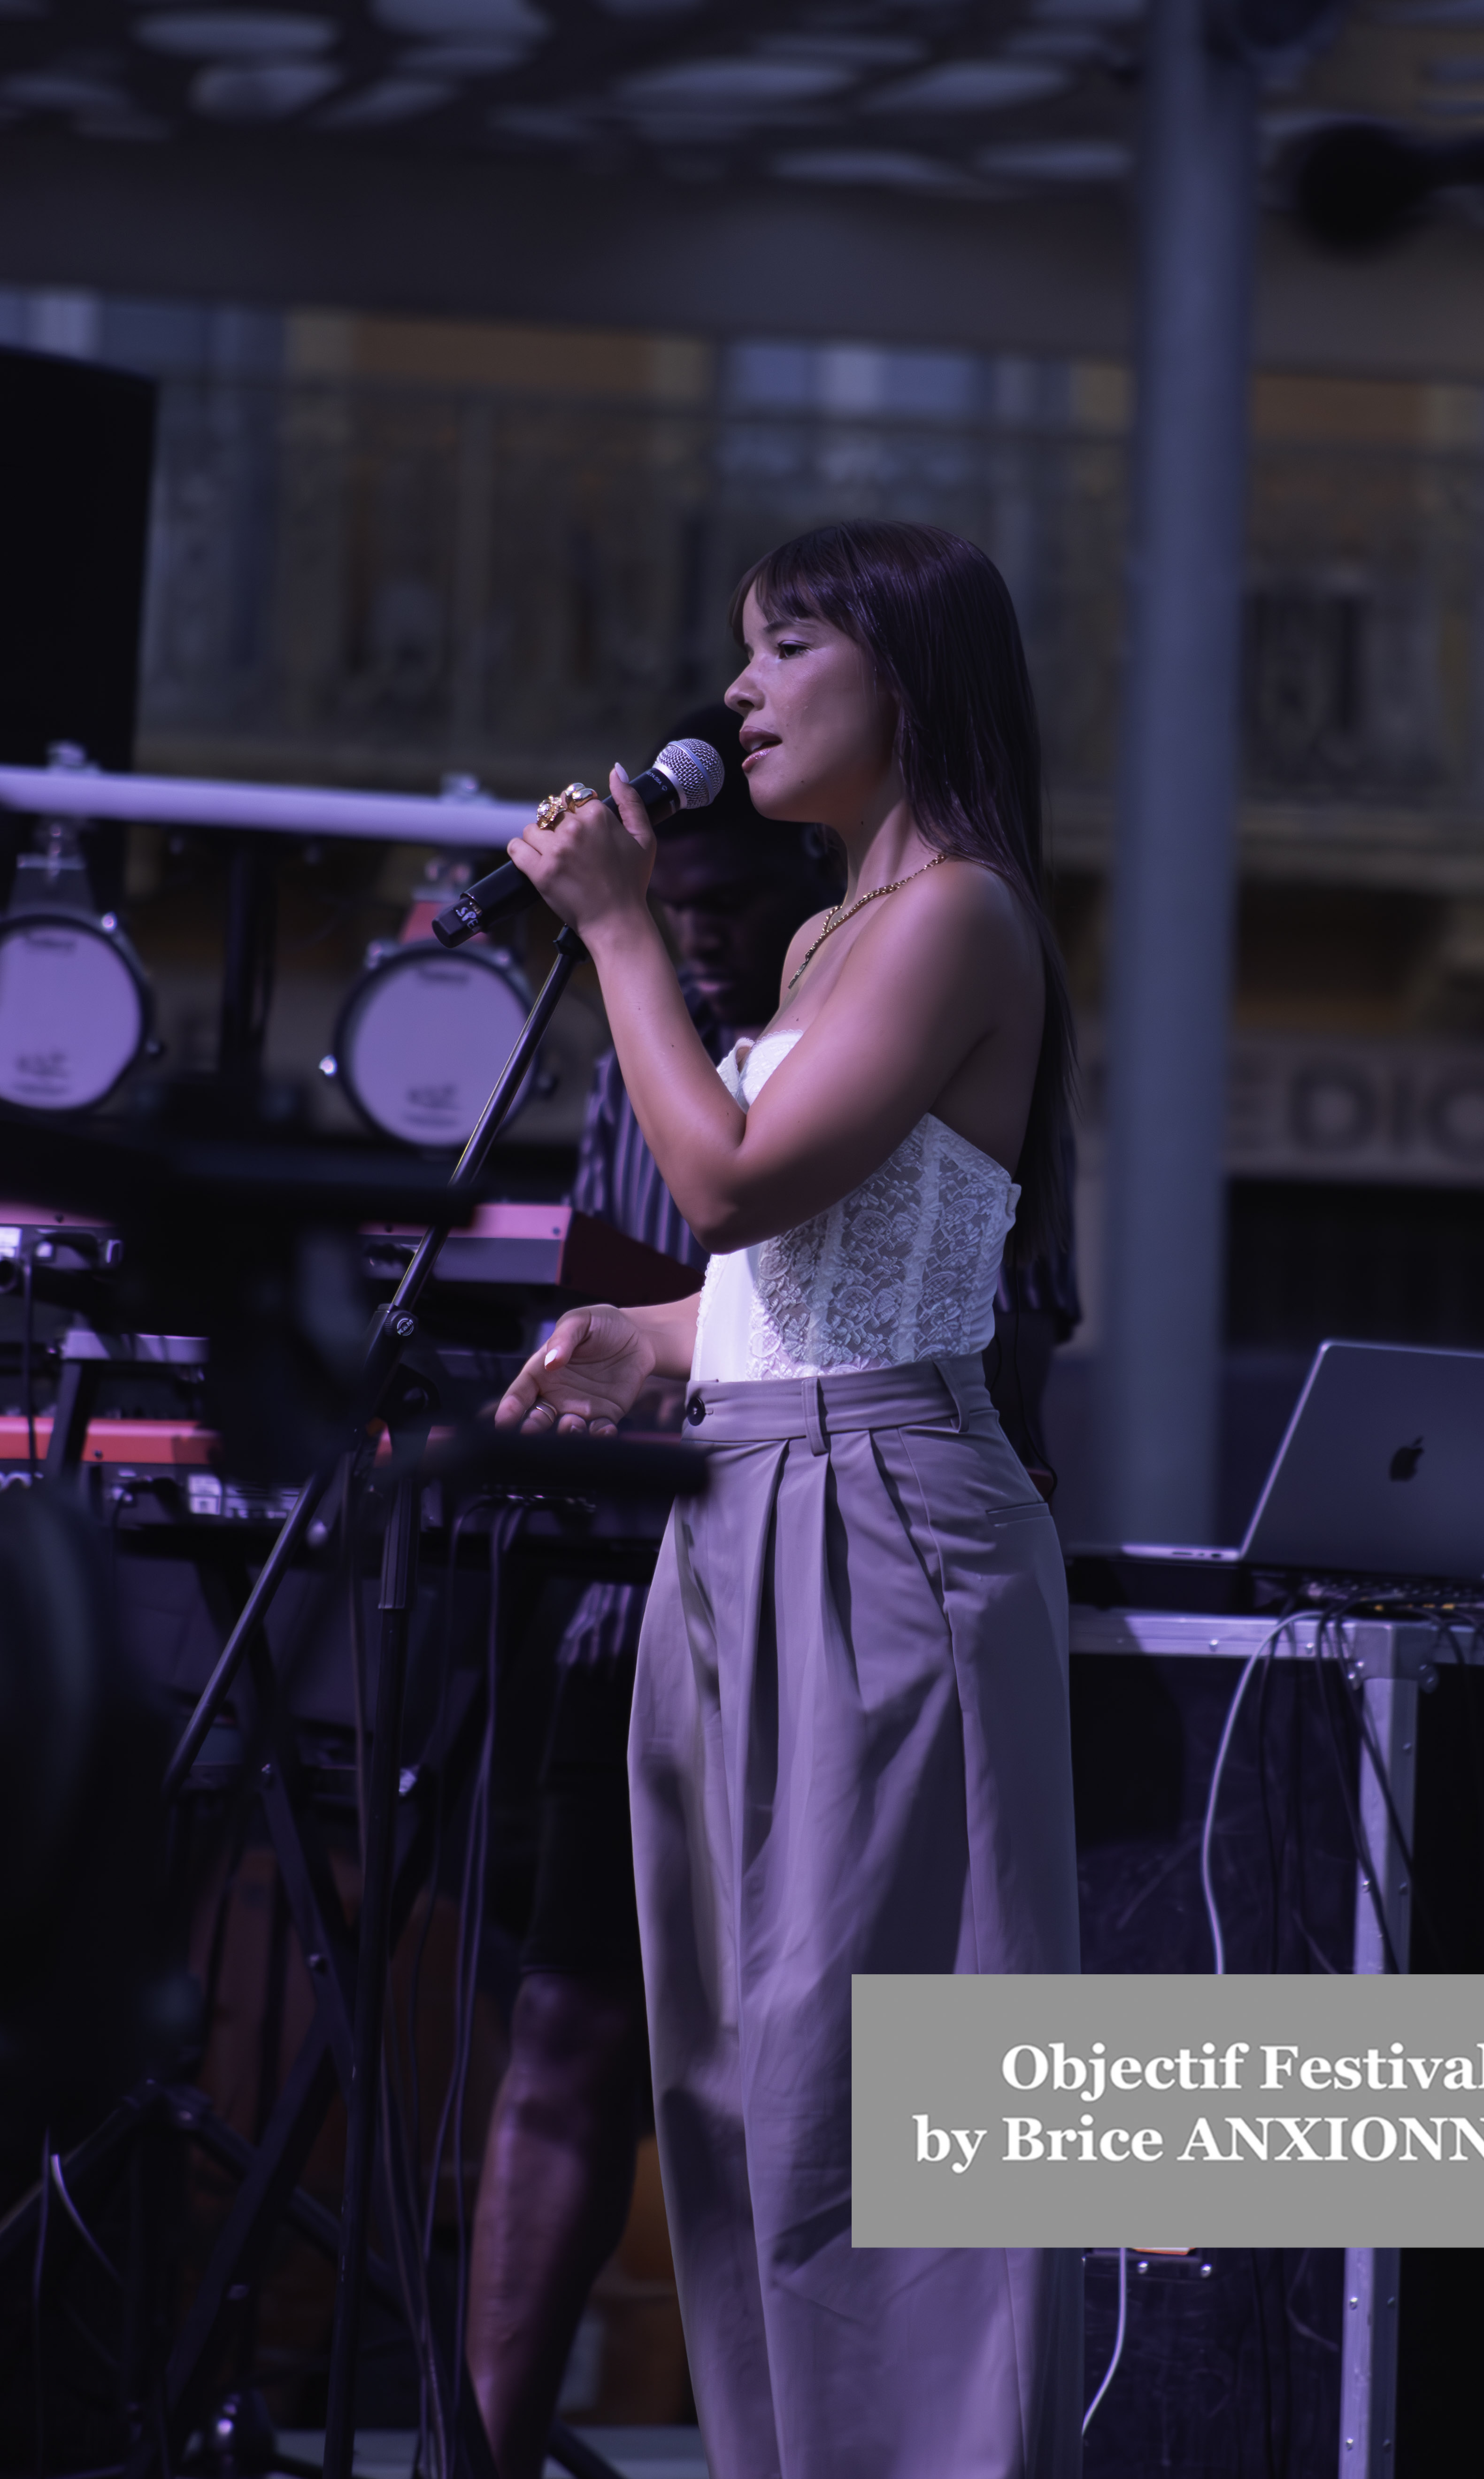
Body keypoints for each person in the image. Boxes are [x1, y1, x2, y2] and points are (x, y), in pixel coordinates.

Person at [494, 523, 1084, 2478]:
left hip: (883, 1519)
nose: (735, 693)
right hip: (741, 1505)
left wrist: (611, 929)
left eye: (784, 648)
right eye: (741, 652)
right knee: (737, 2090)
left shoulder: (958, 916)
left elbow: (737, 1175)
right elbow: (809, 1262)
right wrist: (654, 1339)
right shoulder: (838, 926)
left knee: (872, 2093)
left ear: (902, 676)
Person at [466, 704, 837, 2479]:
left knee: (813, 2080)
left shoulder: (872, 1014)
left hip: (831, 1586)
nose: (692, 921)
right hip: (635, 1605)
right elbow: (629, 1299)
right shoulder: (644, 1047)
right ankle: (490, 2446)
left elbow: (985, 1324)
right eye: (666, 895)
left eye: (720, 894)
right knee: (573, 2037)